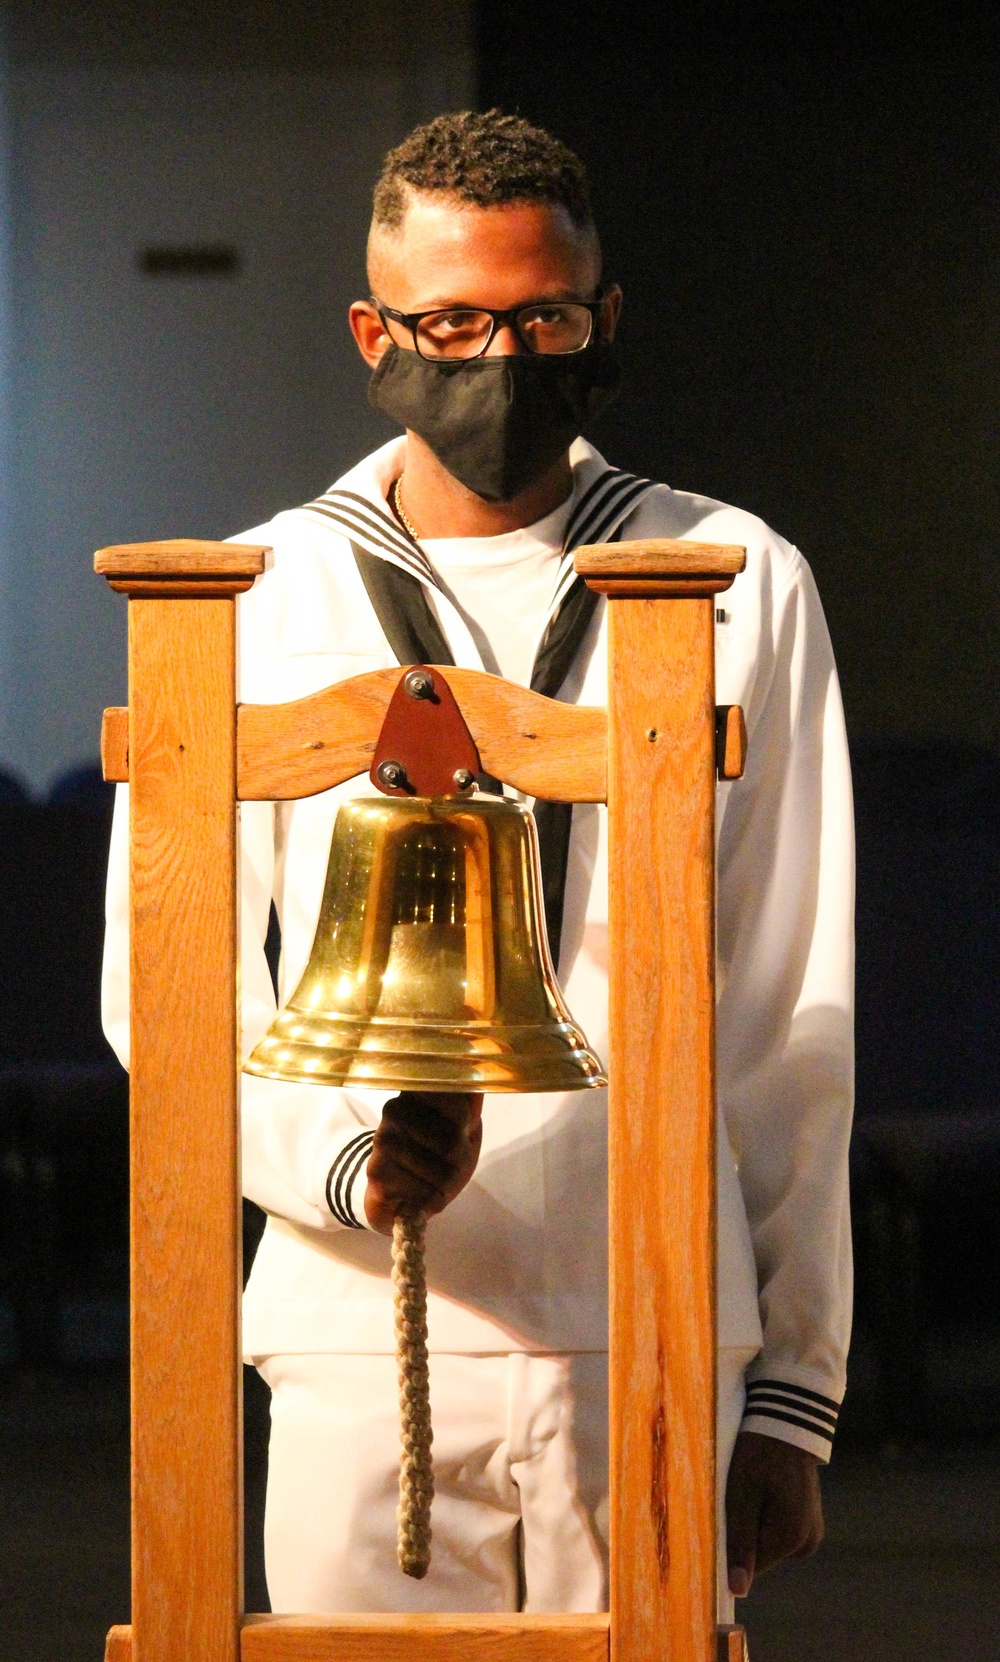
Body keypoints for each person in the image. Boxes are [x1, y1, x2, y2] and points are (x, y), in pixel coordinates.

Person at [102, 109, 853, 1622]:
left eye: (543, 316)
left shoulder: (735, 576)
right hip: (347, 1319)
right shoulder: (255, 594)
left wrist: (792, 1389)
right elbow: (161, 986)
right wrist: (345, 1164)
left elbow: (790, 1006)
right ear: (376, 333)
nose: (499, 358)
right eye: (451, 321)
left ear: (605, 321)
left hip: (646, 1318)